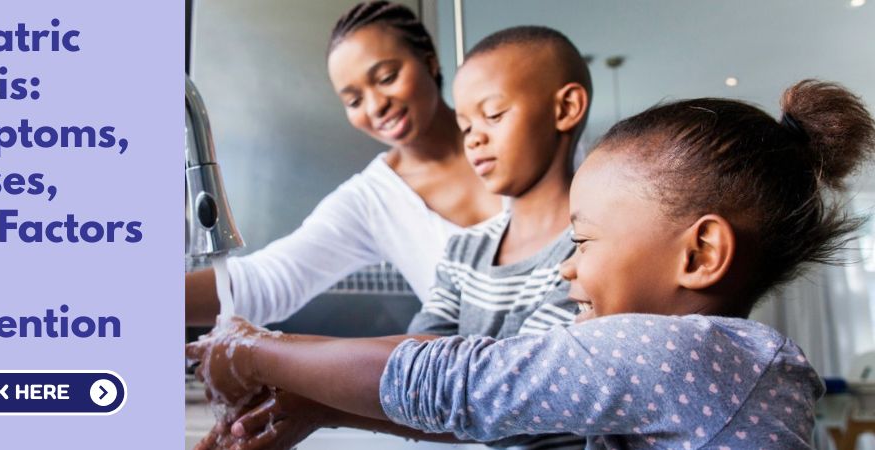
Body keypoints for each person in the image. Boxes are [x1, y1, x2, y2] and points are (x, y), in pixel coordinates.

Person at [189, 79, 875, 448]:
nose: (567, 268)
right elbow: (517, 415)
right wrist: (320, 407)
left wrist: (257, 350)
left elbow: (462, 382)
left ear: (699, 254)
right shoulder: (698, 364)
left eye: (584, 242)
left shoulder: (685, 354)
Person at [200, 25, 594, 450]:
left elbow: (498, 390)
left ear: (566, 107)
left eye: (493, 116)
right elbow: (418, 374)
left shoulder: (590, 252)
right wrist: (312, 403)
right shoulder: (464, 253)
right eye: (465, 125)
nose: (475, 138)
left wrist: (262, 353)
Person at [185, 0, 501, 327]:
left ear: (430, 63)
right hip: (486, 375)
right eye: (354, 100)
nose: (376, 106)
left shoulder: (511, 134)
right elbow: (268, 281)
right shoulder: (372, 200)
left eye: (387, 77)